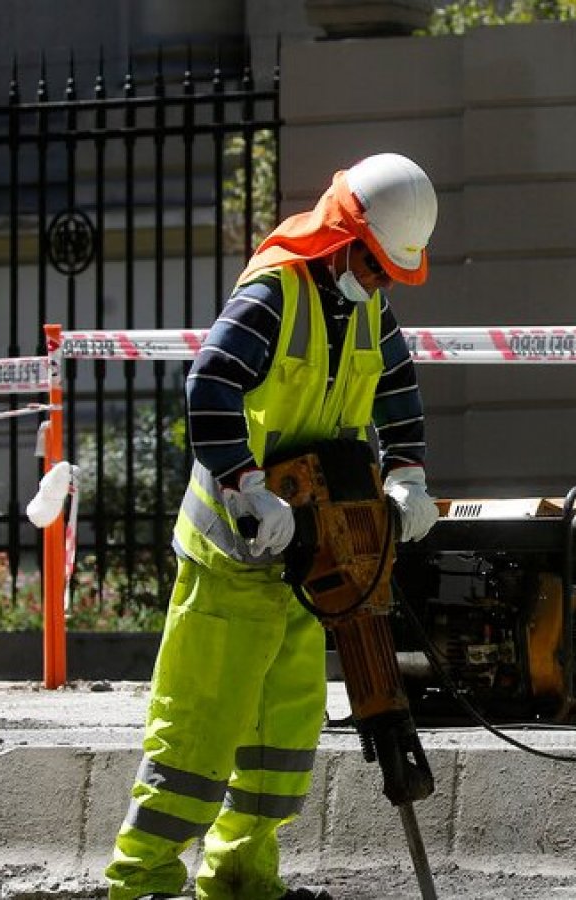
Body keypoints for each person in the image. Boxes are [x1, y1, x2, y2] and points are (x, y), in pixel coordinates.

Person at [104, 152, 442, 900]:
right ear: (344, 238)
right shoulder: (274, 294)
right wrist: (245, 486)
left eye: (394, 271)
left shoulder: (367, 307)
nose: (385, 281)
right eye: (379, 265)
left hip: (307, 555)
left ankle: (241, 879)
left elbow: (396, 387)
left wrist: (408, 472)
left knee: (281, 739)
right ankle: (142, 882)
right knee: (198, 733)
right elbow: (209, 381)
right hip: (235, 554)